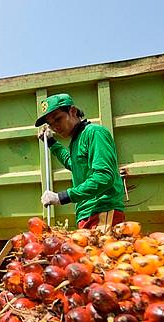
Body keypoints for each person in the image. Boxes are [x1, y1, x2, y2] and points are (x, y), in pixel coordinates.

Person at [35, 93, 125, 231]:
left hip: (102, 210)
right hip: (86, 214)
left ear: (73, 111)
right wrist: (52, 143)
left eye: (58, 119)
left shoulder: (95, 133)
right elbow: (74, 164)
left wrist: (62, 196)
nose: (55, 127)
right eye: (51, 124)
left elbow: (104, 177)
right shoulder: (76, 141)